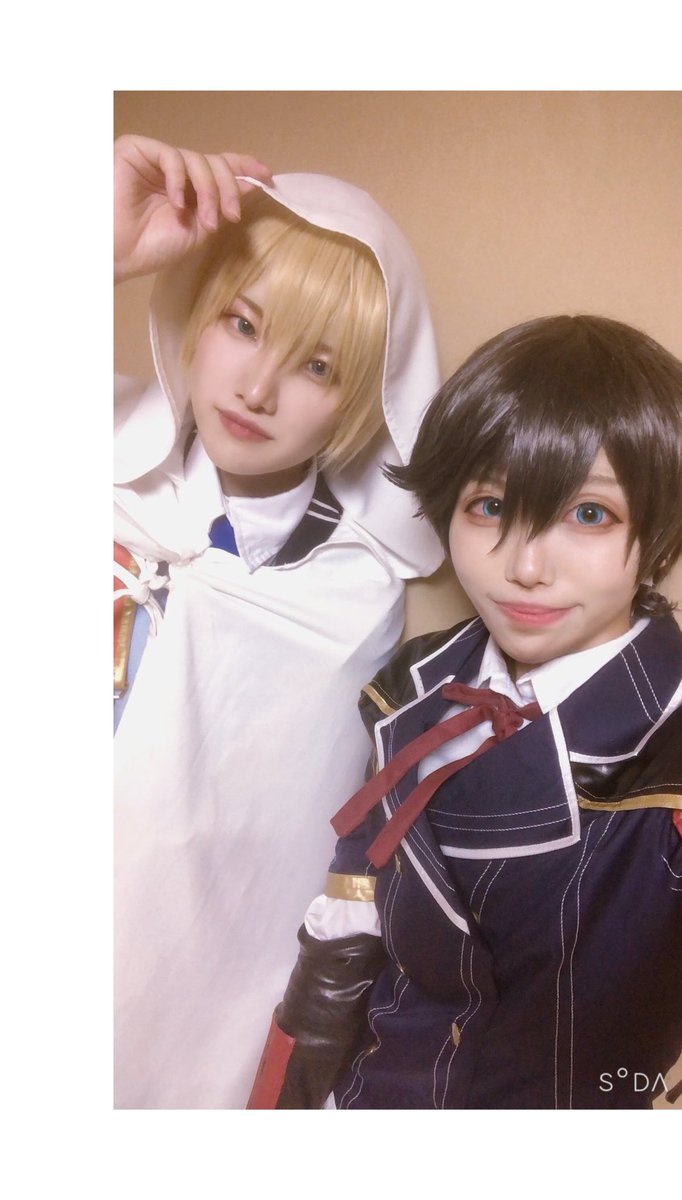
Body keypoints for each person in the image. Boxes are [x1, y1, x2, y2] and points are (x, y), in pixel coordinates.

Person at [248, 314, 682, 1110]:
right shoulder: (411, 685)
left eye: (590, 514)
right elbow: (349, 917)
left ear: (658, 532)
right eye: (488, 506)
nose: (525, 566)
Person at [112, 134, 442, 1108]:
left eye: (317, 366)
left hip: (167, 1014)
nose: (257, 388)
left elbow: (278, 876)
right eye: (243, 324)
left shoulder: (353, 597)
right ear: (196, 313)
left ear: (362, 400)